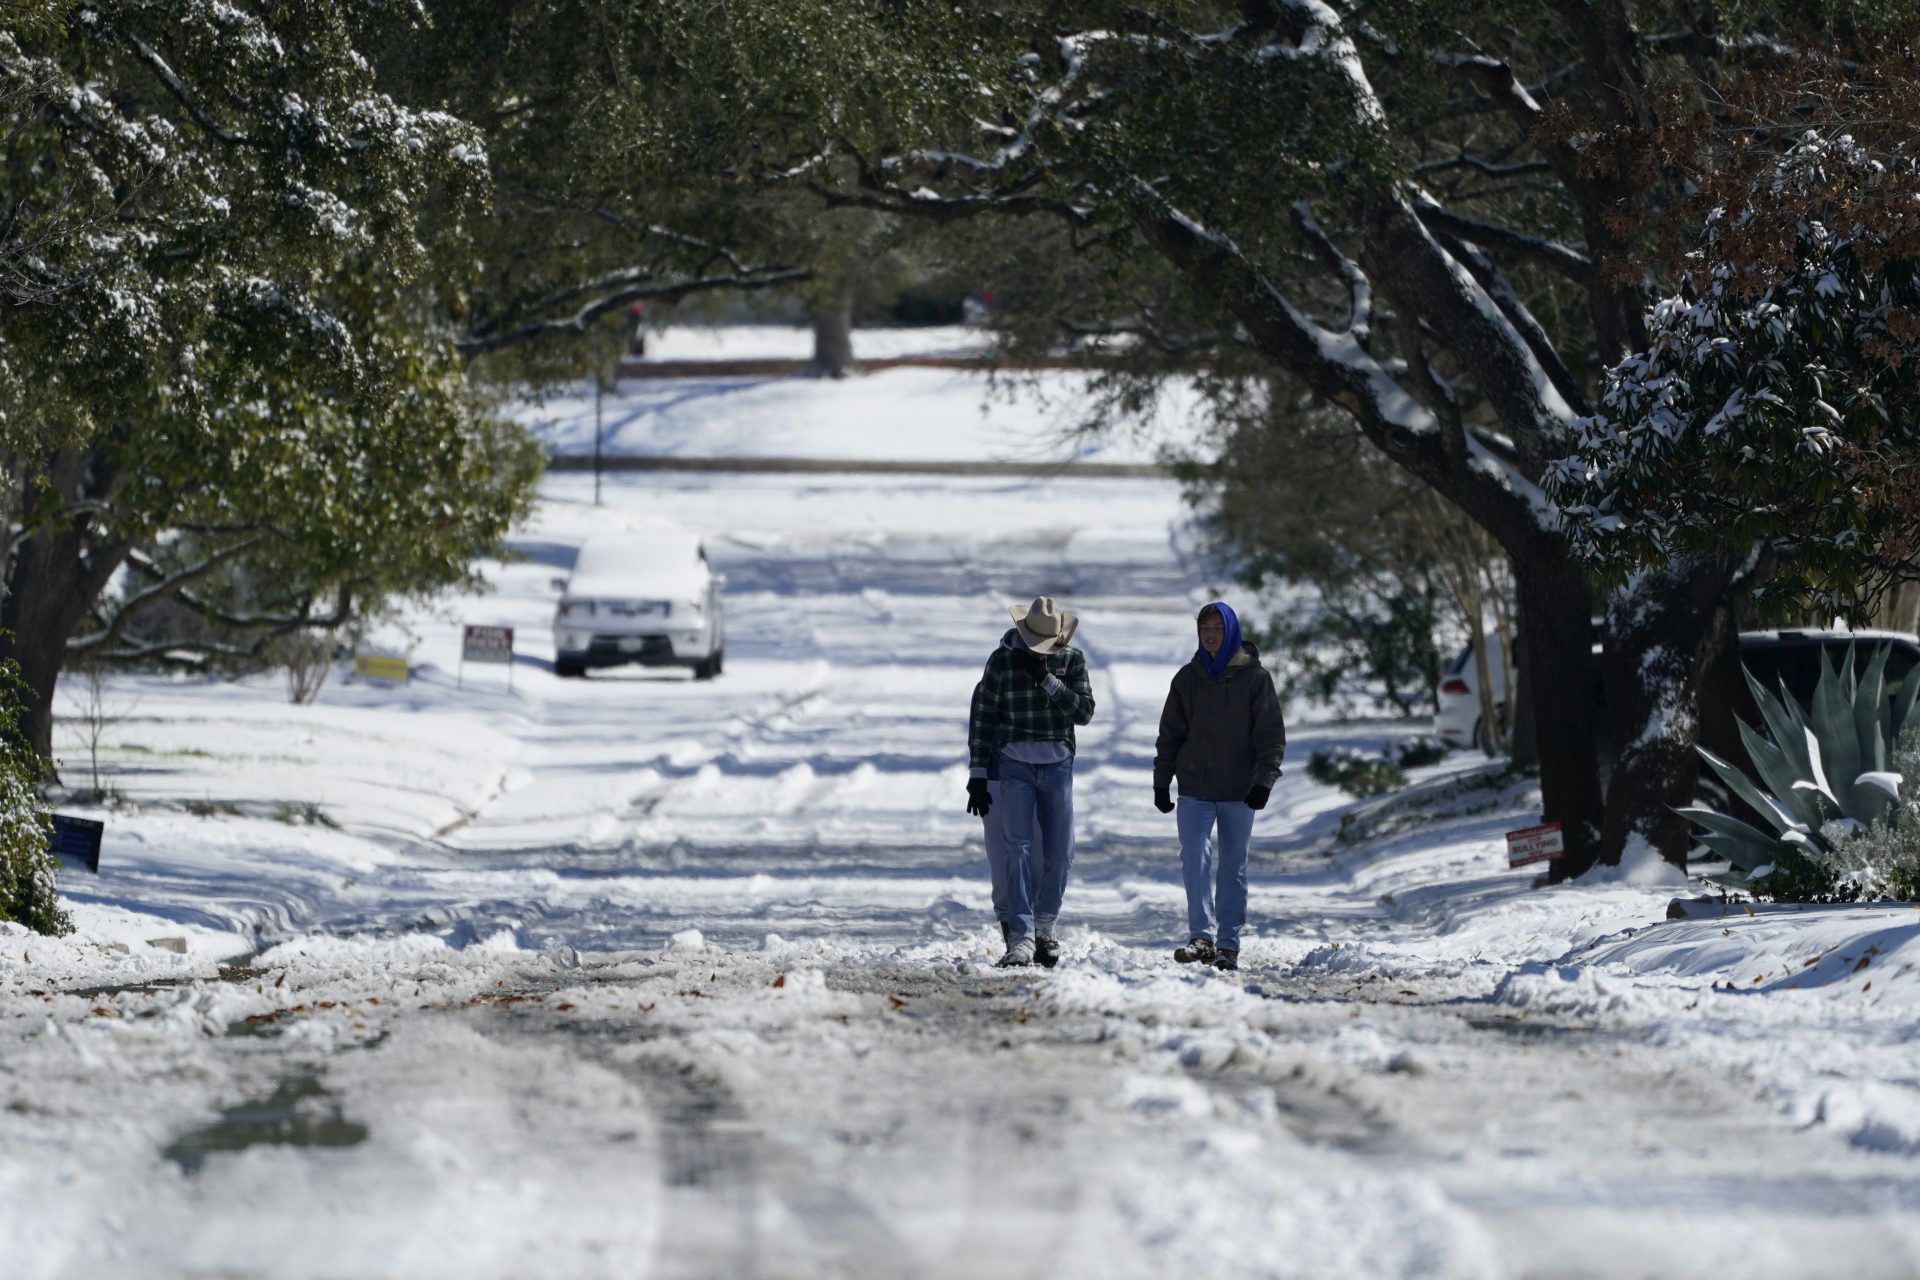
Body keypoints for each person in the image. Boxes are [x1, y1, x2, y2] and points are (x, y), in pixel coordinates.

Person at [1152, 601, 1286, 972]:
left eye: (1217, 628)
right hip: (1194, 788)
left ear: (1231, 631)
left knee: (1232, 867)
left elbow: (1271, 736)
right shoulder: (1186, 679)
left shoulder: (1256, 679)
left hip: (1240, 791)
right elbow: (1170, 736)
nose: (1210, 635)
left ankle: (1228, 942)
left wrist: (1263, 781)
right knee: (1193, 859)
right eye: (1204, 628)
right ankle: (1201, 937)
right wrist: (1161, 782)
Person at [965, 596, 1096, 967]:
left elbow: (1084, 713)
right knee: (1016, 850)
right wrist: (978, 774)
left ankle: (1045, 926)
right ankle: (1020, 937)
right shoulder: (1002, 662)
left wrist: (1048, 680)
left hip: (1057, 765)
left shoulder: (1071, 661)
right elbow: (984, 717)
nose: (1041, 653)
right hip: (1013, 765)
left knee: (1060, 852)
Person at [966, 673, 1043, 947]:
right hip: (998, 780)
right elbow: (979, 733)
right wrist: (978, 776)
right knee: (1003, 862)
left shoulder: (1057, 675)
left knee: (1041, 862)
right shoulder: (991, 682)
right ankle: (1014, 939)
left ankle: (1039, 934)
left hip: (1042, 779)